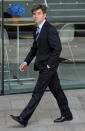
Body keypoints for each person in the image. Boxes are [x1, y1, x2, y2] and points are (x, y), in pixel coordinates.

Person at [10, 4, 73, 127]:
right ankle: (67, 114)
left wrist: (49, 65)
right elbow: (34, 49)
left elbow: (57, 48)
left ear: (44, 15)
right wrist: (25, 62)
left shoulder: (50, 29)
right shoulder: (37, 29)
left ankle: (23, 118)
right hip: (45, 65)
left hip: (48, 66)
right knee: (57, 91)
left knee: (37, 92)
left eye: (38, 13)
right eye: (34, 14)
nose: (35, 16)